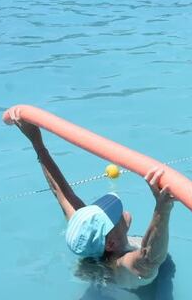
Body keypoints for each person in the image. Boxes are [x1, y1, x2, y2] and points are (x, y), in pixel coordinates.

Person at [9, 107, 176, 295]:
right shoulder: (122, 264)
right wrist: (163, 207)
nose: (119, 211)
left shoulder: (87, 231)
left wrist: (36, 141)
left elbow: (61, 193)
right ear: (111, 243)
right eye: (113, 216)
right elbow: (149, 259)